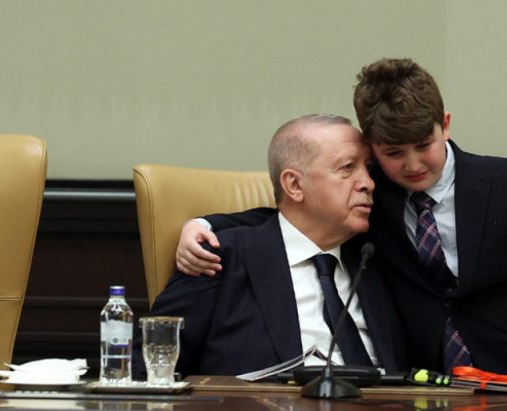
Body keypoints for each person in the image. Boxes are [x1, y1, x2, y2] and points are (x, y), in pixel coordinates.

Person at [176, 58, 507, 374]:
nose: (413, 165)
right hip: (423, 382)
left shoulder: (499, 182)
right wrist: (203, 224)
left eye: (423, 146)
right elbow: (291, 217)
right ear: (373, 145)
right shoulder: (373, 192)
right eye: (393, 153)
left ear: (445, 125)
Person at [132, 114, 407, 378]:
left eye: (368, 169)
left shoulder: (377, 257)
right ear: (294, 184)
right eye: (347, 168)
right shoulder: (219, 259)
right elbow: (147, 366)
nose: (368, 183)